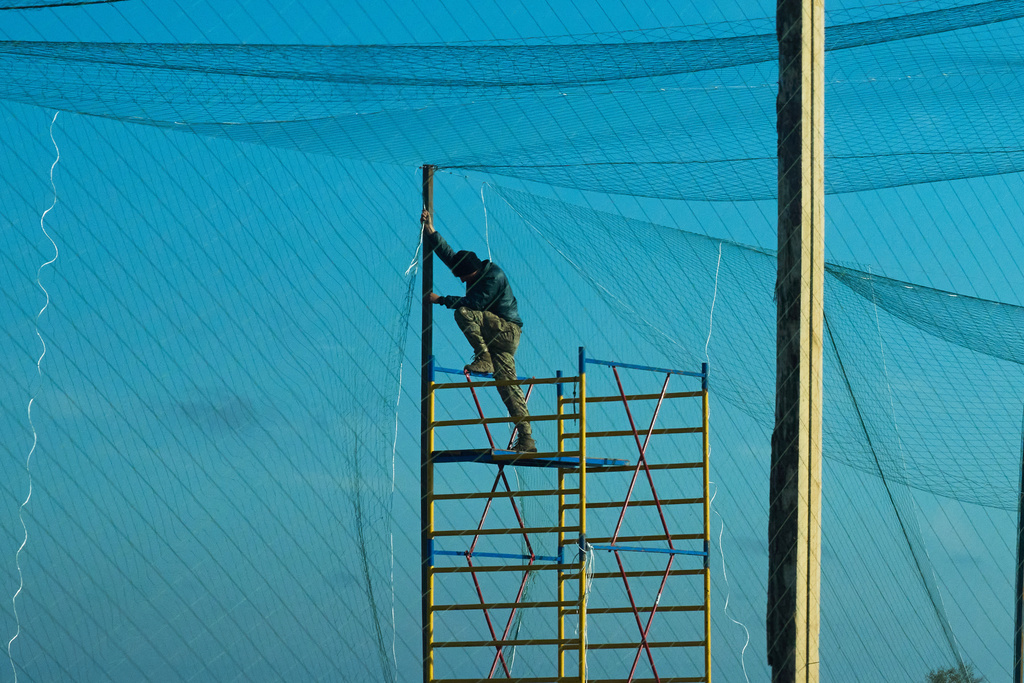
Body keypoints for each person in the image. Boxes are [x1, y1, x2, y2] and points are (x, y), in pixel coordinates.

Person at [421, 209, 536, 453]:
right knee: (507, 386)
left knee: (462, 312)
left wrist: (441, 299)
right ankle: (527, 440)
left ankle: (483, 357)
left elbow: (473, 305)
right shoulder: (472, 268)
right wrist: (430, 229)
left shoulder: (493, 277)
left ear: (472, 271)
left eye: (464, 277)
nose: (463, 282)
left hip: (506, 332)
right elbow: (449, 255)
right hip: (495, 336)